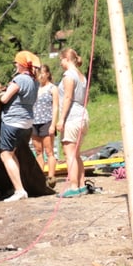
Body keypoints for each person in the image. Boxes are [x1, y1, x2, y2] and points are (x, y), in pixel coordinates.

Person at [0, 51, 39, 202]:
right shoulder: (34, 81)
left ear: (21, 65)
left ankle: (20, 190)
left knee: (5, 155)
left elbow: (4, 99)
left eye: (16, 62)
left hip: (13, 121)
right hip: (27, 122)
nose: (15, 65)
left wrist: (1, 92)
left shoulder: (19, 79)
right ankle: (19, 187)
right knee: (12, 154)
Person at [55, 48, 89, 198]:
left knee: (69, 154)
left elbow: (68, 98)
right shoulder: (82, 76)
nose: (60, 63)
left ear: (66, 59)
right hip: (82, 116)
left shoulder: (69, 75)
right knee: (77, 154)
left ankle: (74, 186)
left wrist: (61, 119)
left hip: (72, 117)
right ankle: (82, 185)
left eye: (61, 60)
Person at [31, 64, 59, 188]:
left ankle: (51, 177)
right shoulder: (35, 88)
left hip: (47, 121)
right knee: (38, 151)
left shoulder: (52, 88)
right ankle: (40, 177)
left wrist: (53, 124)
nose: (40, 76)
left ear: (47, 74)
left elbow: (56, 107)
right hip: (34, 122)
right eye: (38, 74)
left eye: (42, 73)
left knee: (49, 151)